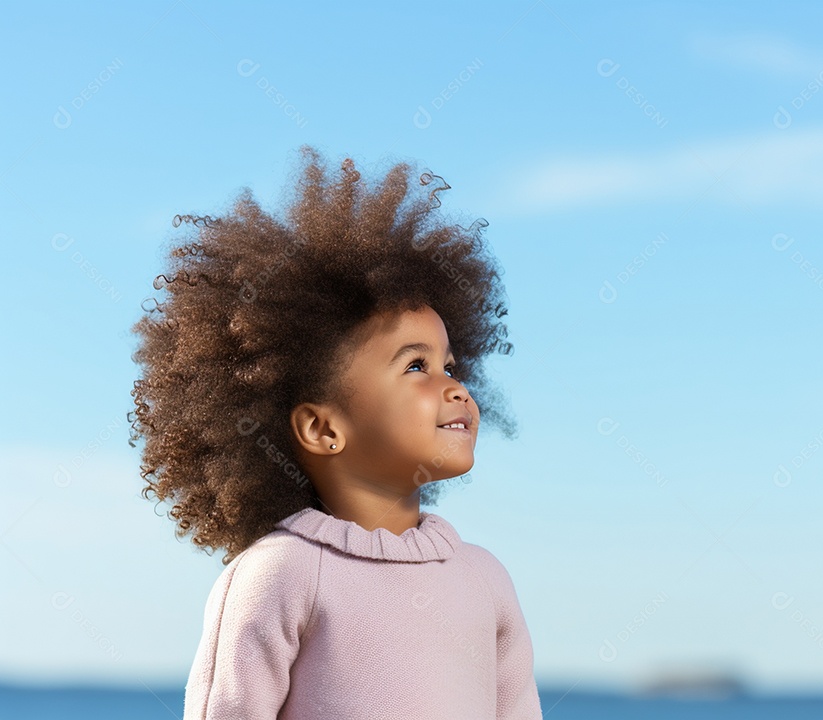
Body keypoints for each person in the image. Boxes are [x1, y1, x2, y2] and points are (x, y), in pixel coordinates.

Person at [129, 146, 542, 719]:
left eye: (450, 365)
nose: (454, 387)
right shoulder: (280, 575)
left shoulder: (485, 581)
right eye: (416, 366)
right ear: (322, 429)